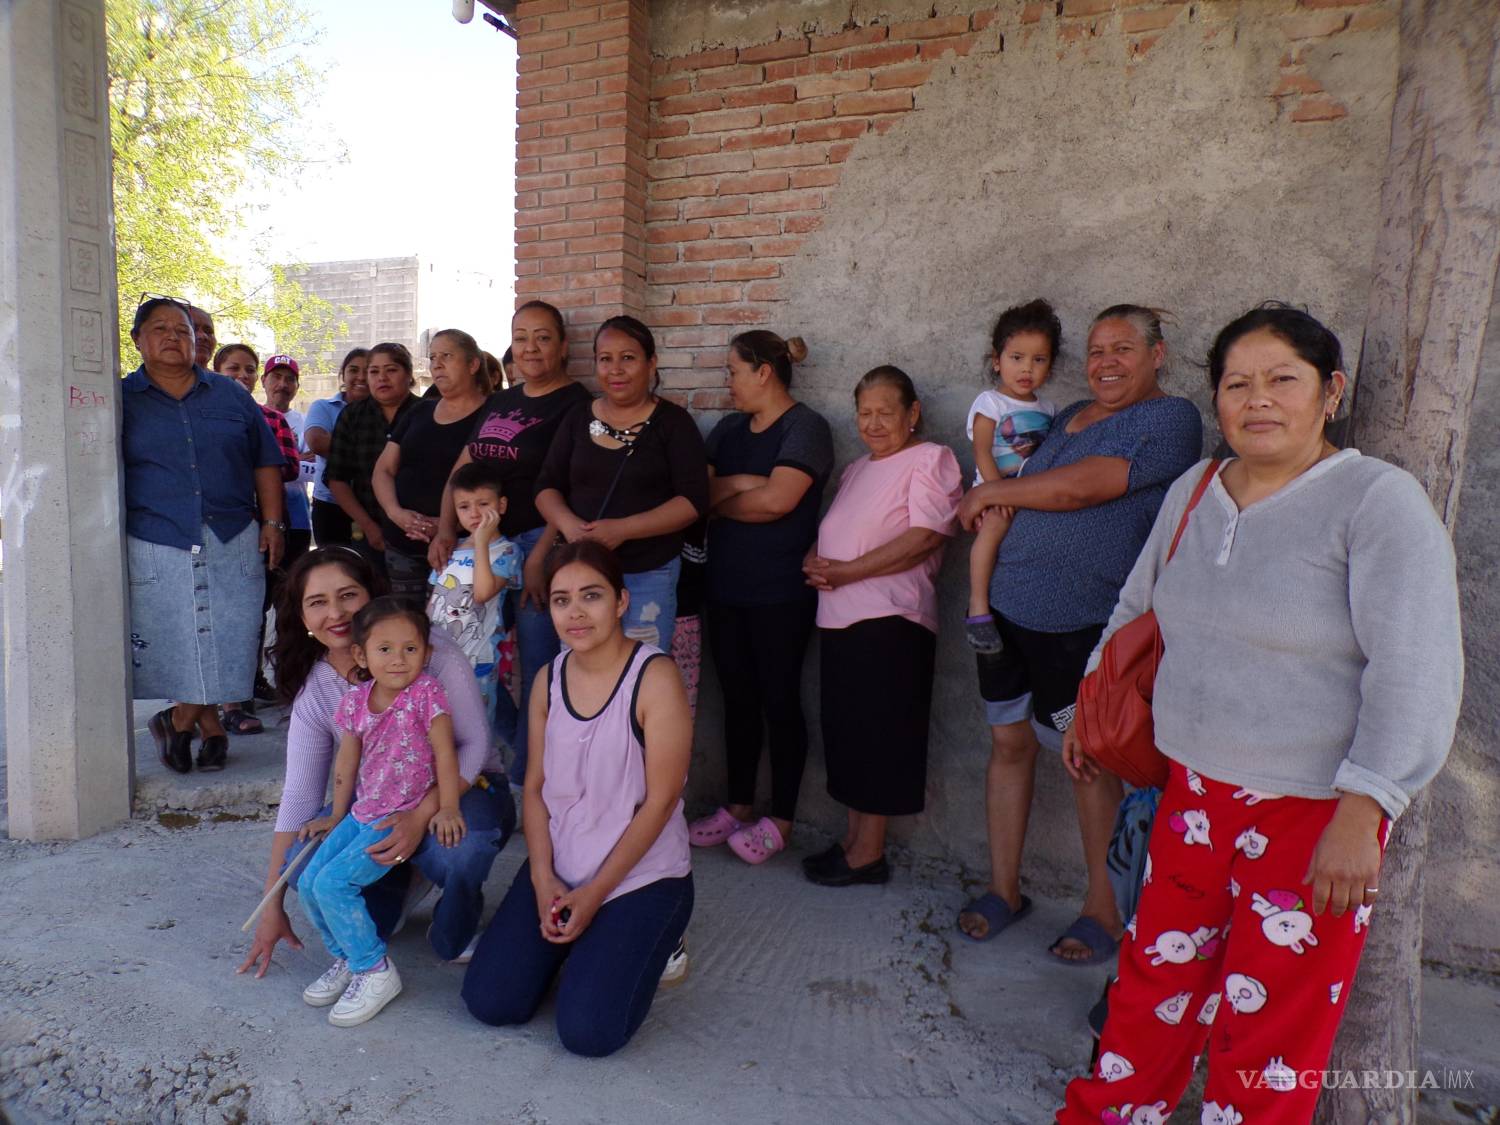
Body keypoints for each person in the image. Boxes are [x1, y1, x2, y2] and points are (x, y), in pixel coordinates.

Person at [1057, 304, 1463, 1123]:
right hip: (1189, 795)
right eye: (1238, 383)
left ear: (1331, 391)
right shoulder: (1194, 490)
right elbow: (1138, 603)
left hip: (1313, 815)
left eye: (1283, 378)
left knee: (1271, 1033)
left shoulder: (1376, 502)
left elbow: (1415, 667)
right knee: (1150, 993)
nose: (1259, 399)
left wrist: (1366, 806)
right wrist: (1092, 700)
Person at [953, 305, 1202, 958]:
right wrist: (994, 494)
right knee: (1008, 745)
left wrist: (988, 494)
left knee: (1088, 760)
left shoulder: (1170, 418)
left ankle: (1103, 909)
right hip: (1004, 616)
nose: (1106, 362)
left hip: (1081, 625)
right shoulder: (1065, 418)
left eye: (1122, 348)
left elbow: (1084, 488)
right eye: (1095, 351)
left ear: (1157, 355)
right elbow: (1032, 484)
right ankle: (1003, 889)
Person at [236, 548, 517, 978]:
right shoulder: (318, 689)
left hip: (461, 788)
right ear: (303, 617)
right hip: (380, 803)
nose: (335, 613)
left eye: (348, 595)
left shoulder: (426, 650)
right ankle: (404, 881)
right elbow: (300, 795)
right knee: (306, 861)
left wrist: (420, 816)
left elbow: (473, 745)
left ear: (372, 594)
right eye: (318, 602)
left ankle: (452, 922)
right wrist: (272, 903)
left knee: (461, 850)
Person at [462, 541, 693, 1058]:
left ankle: (660, 937)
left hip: (638, 876)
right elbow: (536, 788)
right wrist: (543, 878)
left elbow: (660, 803)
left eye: (592, 595)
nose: (576, 612)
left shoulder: (655, 678)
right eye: (562, 600)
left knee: (588, 1032)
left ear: (621, 601)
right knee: (491, 1000)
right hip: (563, 866)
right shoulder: (549, 679)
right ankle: (591, 944)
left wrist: (593, 896)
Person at [801, 366, 962, 887]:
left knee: (880, 734)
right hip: (841, 618)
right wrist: (815, 557)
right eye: (864, 413)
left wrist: (847, 571)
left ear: (912, 413)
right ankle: (853, 842)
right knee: (850, 733)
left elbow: (925, 537)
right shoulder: (856, 470)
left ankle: (868, 854)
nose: (873, 423)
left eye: (885, 413)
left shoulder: (930, 459)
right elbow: (839, 529)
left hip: (891, 620)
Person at [688, 331, 834, 865]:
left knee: (780, 700)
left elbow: (779, 500)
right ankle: (738, 806)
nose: (727, 382)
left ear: (763, 372)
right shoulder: (728, 429)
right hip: (724, 588)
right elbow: (698, 495)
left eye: (732, 370)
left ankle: (783, 819)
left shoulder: (806, 427)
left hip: (780, 592)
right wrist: (745, 482)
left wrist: (727, 497)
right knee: (737, 700)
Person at [123, 297, 285, 774]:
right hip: (159, 536)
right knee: (183, 637)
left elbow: (265, 460)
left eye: (183, 330)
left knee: (231, 636)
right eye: (160, 328)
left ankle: (179, 719)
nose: (173, 337)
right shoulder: (121, 398)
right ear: (137, 339)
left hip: (232, 533)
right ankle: (209, 725)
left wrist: (273, 523)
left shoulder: (230, 394)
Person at [434, 301, 591, 784]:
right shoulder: (503, 401)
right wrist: (446, 528)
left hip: (537, 543)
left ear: (563, 345)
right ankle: (506, 748)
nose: (530, 348)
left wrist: (541, 557)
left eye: (543, 337)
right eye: (521, 337)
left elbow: (570, 487)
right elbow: (464, 467)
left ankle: (530, 779)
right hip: (484, 546)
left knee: (538, 667)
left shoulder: (577, 404)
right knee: (467, 655)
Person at [296, 598, 467, 1027]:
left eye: (410, 649)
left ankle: (374, 969)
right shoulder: (355, 701)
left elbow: (447, 755)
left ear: (426, 653)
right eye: (385, 649)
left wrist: (448, 807)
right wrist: (336, 815)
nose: (398, 659)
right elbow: (346, 763)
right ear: (361, 655)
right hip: (362, 812)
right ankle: (348, 957)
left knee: (335, 885)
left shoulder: (427, 694)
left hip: (397, 817)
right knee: (310, 882)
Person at [535, 315, 709, 647]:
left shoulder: (673, 423)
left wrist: (623, 530)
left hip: (649, 573)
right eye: (605, 359)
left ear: (651, 363)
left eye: (628, 358)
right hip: (582, 574)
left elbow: (692, 501)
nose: (615, 369)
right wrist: (569, 525)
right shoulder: (578, 417)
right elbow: (546, 486)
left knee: (641, 667)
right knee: (582, 662)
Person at [210, 343, 299, 736]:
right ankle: (194, 708)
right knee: (209, 612)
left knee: (249, 611)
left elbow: (284, 467)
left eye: (249, 369)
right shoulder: (199, 414)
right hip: (205, 527)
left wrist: (272, 523)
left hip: (255, 525)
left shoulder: (269, 418)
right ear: (216, 371)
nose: (242, 376)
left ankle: (238, 697)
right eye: (233, 368)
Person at [964, 300, 1059, 654]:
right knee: (993, 528)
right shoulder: (990, 403)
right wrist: (997, 494)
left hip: (1029, 494)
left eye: (1039, 359)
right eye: (1017, 357)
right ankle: (978, 607)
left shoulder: (1048, 410)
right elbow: (982, 452)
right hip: (995, 490)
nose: (1027, 368)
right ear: (997, 360)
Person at [371, 330, 491, 602]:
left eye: (446, 356)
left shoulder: (492, 414)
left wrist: (447, 526)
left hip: (462, 546)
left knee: (452, 622)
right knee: (406, 621)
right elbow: (383, 470)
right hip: (402, 542)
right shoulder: (419, 411)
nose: (436, 365)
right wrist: (396, 513)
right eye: (433, 357)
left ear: (473, 364)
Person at [427, 461, 523, 740]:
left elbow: (482, 593)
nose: (474, 513)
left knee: (474, 732)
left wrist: (481, 541)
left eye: (483, 504)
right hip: (437, 656)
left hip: (477, 659)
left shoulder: (508, 551)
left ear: (501, 506)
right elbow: (434, 601)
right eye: (464, 507)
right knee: (438, 728)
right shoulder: (452, 549)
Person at [323, 342, 420, 573]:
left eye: (391, 370)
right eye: (374, 371)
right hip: (370, 534)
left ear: (408, 374)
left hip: (421, 533)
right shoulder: (352, 416)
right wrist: (368, 526)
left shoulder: (428, 412)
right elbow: (337, 478)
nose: (382, 378)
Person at [306, 349, 370, 546]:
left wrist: (338, 443)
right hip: (329, 505)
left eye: (368, 371)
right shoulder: (323, 407)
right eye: (354, 370)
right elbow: (317, 442)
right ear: (343, 374)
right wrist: (370, 447)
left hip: (372, 506)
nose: (361, 377)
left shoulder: (385, 411)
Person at [262, 353, 313, 566]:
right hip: (259, 519)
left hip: (298, 518)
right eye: (276, 377)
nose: (282, 384)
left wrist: (266, 464)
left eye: (290, 379)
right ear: (263, 380)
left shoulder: (307, 422)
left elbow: (313, 468)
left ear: (297, 386)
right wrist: (293, 458)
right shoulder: (251, 416)